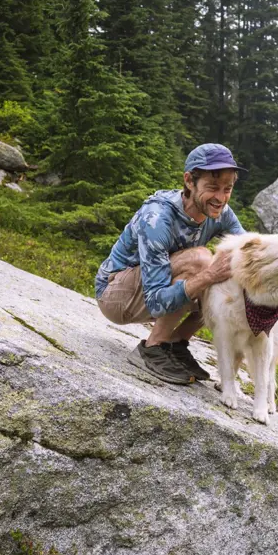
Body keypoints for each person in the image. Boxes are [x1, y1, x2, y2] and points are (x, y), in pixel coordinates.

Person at [95, 143, 247, 385]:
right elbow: (156, 302)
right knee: (202, 261)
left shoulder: (221, 212)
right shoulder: (157, 218)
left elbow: (247, 250)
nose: (221, 198)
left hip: (155, 288)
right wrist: (207, 276)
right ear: (189, 181)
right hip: (115, 294)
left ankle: (176, 344)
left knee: (229, 271)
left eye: (227, 189)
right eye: (213, 188)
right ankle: (153, 346)